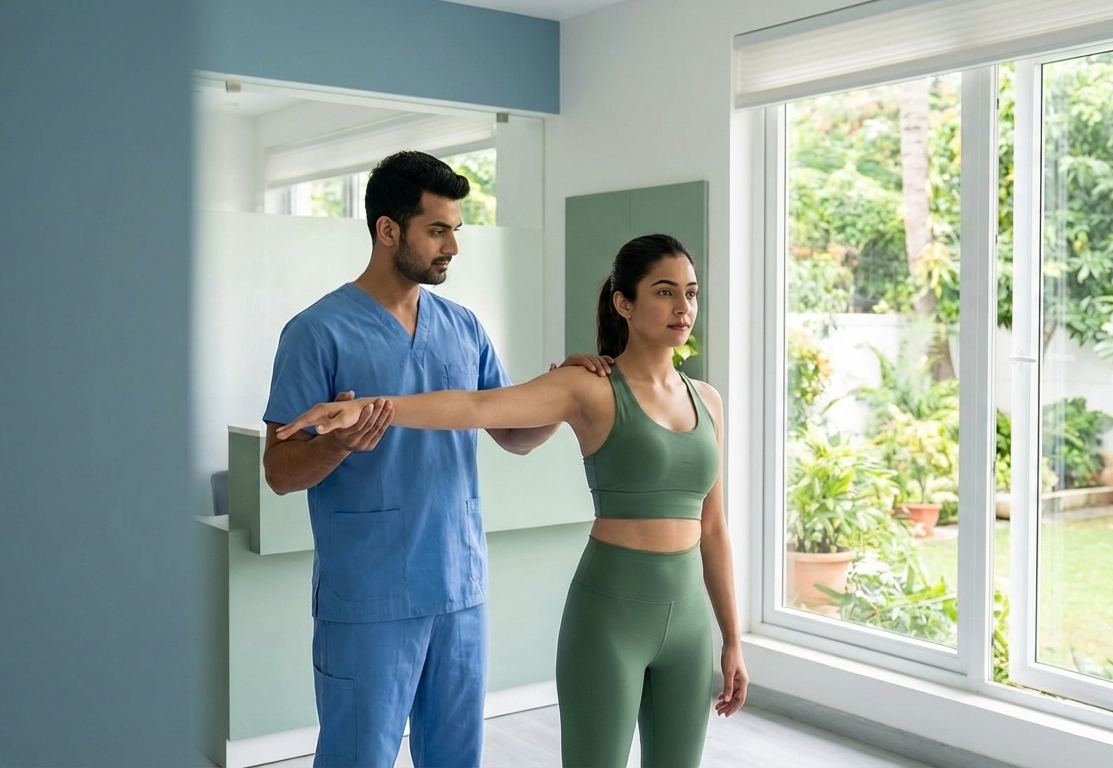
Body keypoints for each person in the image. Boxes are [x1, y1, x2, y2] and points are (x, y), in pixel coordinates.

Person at [278, 233, 750, 768]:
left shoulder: (707, 399)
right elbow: (479, 407)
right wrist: (370, 406)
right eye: (665, 292)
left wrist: (732, 638)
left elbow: (714, 529)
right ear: (625, 302)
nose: (683, 307)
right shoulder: (589, 385)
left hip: (689, 625)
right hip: (611, 617)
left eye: (690, 292)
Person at [261, 151, 613, 768]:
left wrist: (563, 392)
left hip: (460, 588)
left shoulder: (464, 327)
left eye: (456, 228)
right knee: (355, 757)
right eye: (437, 229)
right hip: (368, 597)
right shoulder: (316, 332)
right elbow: (278, 472)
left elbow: (514, 435)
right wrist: (336, 446)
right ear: (387, 230)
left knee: (455, 758)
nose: (454, 245)